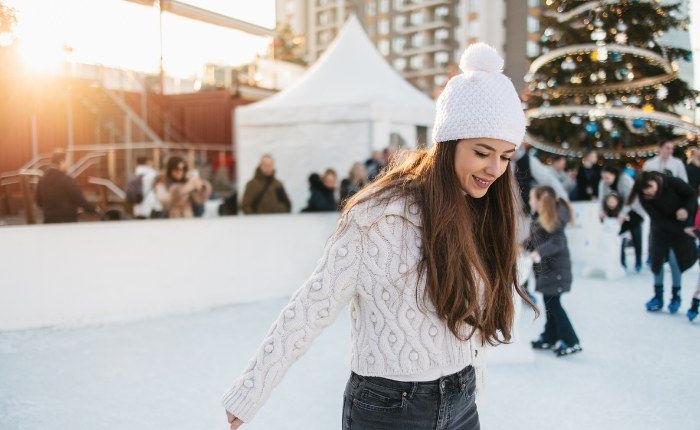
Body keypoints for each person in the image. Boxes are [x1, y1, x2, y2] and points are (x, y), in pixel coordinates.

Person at [222, 43, 535, 429]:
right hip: (390, 408)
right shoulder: (381, 216)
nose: (494, 169)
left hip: (461, 399)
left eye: (505, 157)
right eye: (483, 152)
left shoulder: (480, 210)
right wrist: (253, 388)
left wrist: (472, 382)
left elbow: (464, 316)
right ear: (449, 142)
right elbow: (313, 303)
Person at [628, 171, 697, 313]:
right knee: (657, 261)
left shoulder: (673, 182)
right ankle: (657, 296)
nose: (648, 192)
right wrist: (682, 229)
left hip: (682, 229)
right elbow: (658, 219)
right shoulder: (644, 196)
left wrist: (685, 209)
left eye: (650, 187)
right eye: (644, 190)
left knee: (675, 260)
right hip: (661, 231)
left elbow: (691, 195)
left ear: (656, 180)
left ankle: (676, 296)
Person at [525, 186, 582, 357]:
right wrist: (521, 247)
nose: (529, 201)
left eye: (531, 198)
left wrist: (538, 252)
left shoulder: (554, 218)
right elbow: (535, 240)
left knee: (554, 306)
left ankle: (572, 341)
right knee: (550, 305)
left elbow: (558, 242)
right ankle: (550, 336)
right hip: (548, 271)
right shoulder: (541, 218)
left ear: (541, 200)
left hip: (556, 271)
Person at [598, 165, 646, 272]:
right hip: (617, 211)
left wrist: (623, 214)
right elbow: (601, 199)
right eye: (603, 177)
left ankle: (638, 261)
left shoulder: (624, 180)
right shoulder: (603, 183)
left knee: (636, 232)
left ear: (614, 175)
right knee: (618, 234)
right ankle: (621, 261)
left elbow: (631, 199)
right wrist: (602, 211)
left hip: (635, 209)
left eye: (607, 177)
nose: (605, 180)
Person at [35, 150, 98, 223]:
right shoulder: (66, 179)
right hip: (67, 222)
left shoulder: (42, 179)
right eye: (68, 162)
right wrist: (94, 209)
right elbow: (80, 199)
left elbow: (38, 202)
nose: (69, 165)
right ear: (62, 161)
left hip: (49, 221)